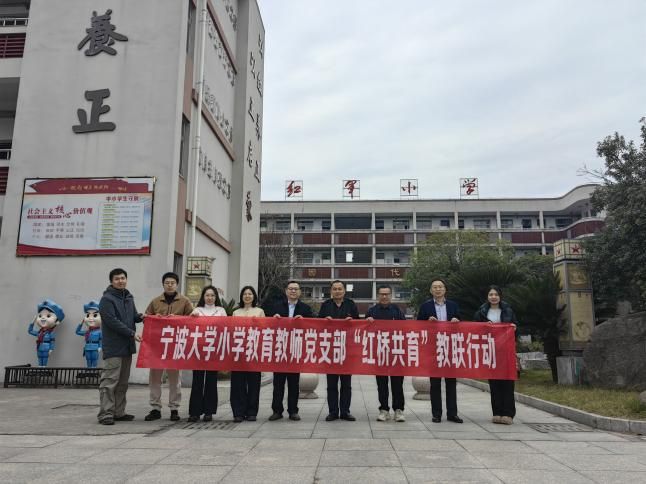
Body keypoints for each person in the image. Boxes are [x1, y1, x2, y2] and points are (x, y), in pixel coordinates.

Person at [144, 272, 194, 422]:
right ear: (163, 284)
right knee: (155, 378)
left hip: (175, 345)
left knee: (175, 379)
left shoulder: (184, 301)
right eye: (167, 282)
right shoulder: (155, 302)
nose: (170, 285)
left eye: (172, 283)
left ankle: (174, 408)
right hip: (157, 346)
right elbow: (146, 318)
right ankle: (155, 408)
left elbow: (192, 320)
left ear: (177, 284)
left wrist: (177, 319)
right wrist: (155, 318)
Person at [97, 268, 143, 425]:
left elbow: (133, 317)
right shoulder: (107, 299)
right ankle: (105, 414)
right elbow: (112, 321)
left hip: (127, 346)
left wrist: (144, 317)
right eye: (117, 279)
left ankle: (119, 412)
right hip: (114, 347)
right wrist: (131, 333)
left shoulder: (128, 297)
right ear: (111, 281)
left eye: (123, 278)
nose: (121, 281)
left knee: (123, 382)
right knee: (110, 381)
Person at [417, 278, 463, 423]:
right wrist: (427, 322)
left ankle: (452, 414)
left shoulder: (453, 305)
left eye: (440, 287)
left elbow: (462, 324)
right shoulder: (425, 306)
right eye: (435, 287)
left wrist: (456, 321)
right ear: (431, 290)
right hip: (433, 348)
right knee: (435, 383)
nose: (438, 289)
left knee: (451, 382)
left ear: (445, 289)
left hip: (450, 347)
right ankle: (436, 414)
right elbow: (418, 326)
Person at [268, 280, 313, 421]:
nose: (293, 291)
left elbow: (313, 325)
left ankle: (293, 411)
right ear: (286, 291)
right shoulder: (276, 306)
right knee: (278, 383)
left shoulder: (305, 309)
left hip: (295, 350)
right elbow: (267, 324)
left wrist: (304, 320)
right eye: (291, 288)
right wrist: (273, 319)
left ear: (300, 292)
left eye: (296, 289)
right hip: (279, 349)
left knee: (294, 383)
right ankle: (277, 411)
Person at [473, 285, 518, 425]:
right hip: (490, 351)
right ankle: (497, 412)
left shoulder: (508, 310)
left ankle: (508, 413)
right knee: (494, 382)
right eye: (491, 294)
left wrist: (514, 328)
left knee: (507, 381)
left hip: (506, 351)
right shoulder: (481, 312)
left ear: (500, 296)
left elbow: (516, 326)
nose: (493, 297)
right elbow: (474, 329)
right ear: (487, 297)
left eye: (496, 294)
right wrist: (483, 326)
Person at [318, 280, 359, 422]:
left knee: (346, 384)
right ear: (331, 291)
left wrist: (351, 321)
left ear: (344, 291)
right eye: (334, 289)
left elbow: (358, 323)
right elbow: (318, 324)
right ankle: (333, 412)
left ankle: (345, 411)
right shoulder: (325, 305)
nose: (337, 291)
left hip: (347, 350)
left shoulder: (351, 304)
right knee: (331, 384)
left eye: (340, 289)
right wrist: (325, 320)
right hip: (330, 350)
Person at [366, 285, 407, 422]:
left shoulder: (398, 310)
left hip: (396, 353)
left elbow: (405, 329)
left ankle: (398, 410)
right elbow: (365, 331)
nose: (384, 296)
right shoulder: (371, 311)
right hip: (379, 353)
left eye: (387, 294)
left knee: (397, 384)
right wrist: (368, 322)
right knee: (382, 384)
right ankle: (384, 410)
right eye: (382, 294)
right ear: (378, 295)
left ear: (390, 295)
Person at [188, 285, 227, 423]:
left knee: (211, 380)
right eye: (207, 295)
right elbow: (190, 326)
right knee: (197, 380)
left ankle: (209, 412)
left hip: (214, 349)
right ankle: (194, 412)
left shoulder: (221, 310)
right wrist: (192, 317)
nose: (210, 298)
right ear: (203, 297)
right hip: (199, 350)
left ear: (216, 297)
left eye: (212, 295)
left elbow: (226, 327)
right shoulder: (197, 310)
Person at [230, 285, 265, 422]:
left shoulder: (259, 311)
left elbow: (264, 330)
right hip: (238, 352)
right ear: (241, 296)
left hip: (254, 352)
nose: (247, 296)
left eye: (250, 294)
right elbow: (231, 331)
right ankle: (238, 412)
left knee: (254, 383)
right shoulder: (235, 312)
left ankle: (251, 412)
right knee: (237, 383)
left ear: (254, 296)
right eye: (245, 294)